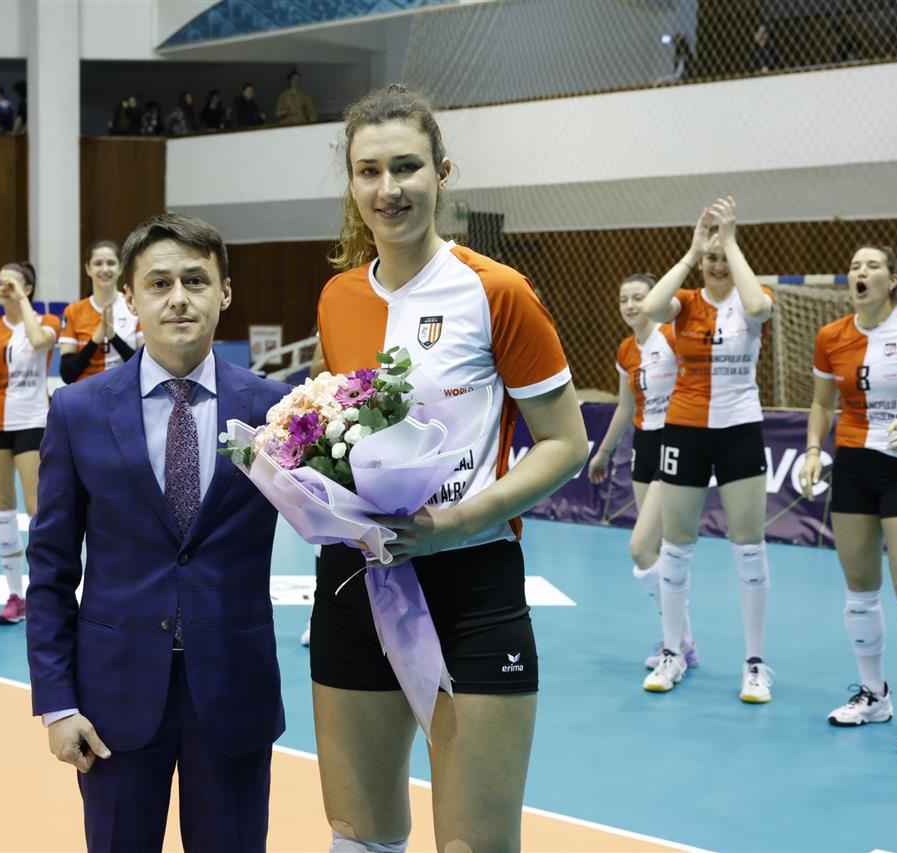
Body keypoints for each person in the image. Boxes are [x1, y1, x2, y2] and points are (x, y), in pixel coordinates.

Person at [313, 84, 587, 852]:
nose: (388, 188)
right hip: (358, 581)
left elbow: (566, 443)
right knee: (358, 835)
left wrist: (454, 523)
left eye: (406, 167)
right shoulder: (337, 298)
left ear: (441, 172)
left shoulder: (497, 292)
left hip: (472, 584)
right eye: (369, 171)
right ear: (352, 184)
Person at [26, 212, 289, 851]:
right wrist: (57, 704)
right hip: (112, 697)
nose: (178, 298)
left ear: (225, 293)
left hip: (234, 689)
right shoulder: (77, 411)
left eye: (196, 281)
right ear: (129, 299)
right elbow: (51, 569)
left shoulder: (277, 409)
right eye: (159, 283)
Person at [639, 197, 776, 701]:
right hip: (686, 430)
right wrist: (694, 250)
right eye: (711, 260)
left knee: (749, 545)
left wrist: (731, 243)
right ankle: (673, 652)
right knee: (676, 545)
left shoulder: (753, 297)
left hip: (740, 429)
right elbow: (651, 308)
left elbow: (758, 309)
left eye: (724, 258)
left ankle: (755, 663)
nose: (717, 266)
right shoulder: (685, 303)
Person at [797, 245, 897, 757]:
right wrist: (812, 451)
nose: (860, 273)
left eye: (871, 266)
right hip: (852, 463)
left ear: (892, 280)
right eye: (853, 267)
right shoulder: (831, 336)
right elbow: (821, 402)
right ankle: (875, 696)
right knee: (859, 590)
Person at [588, 274, 697, 666]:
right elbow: (626, 406)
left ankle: (677, 643)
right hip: (644, 445)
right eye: (624, 299)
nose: (631, 305)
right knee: (654, 549)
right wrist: (603, 452)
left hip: (676, 440)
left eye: (638, 297)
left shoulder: (671, 336)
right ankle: (681, 641)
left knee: (641, 546)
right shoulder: (626, 350)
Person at [0, 262, 59, 625]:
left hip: (32, 422)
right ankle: (15, 595)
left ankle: (44, 591)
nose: (3, 288)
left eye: (12, 283)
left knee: (37, 509)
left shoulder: (47, 321)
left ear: (28, 287)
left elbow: (39, 342)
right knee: (2, 510)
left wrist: (21, 299)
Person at [59, 240, 141, 383]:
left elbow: (143, 367)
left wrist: (112, 337)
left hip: (124, 390)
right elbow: (67, 375)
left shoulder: (135, 306)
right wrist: (96, 339)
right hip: (86, 393)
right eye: (98, 264)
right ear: (88, 269)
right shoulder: (73, 311)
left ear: (120, 267)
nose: (105, 269)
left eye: (111, 263)